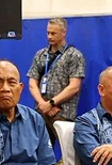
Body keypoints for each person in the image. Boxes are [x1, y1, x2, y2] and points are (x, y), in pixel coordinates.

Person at [27, 18, 85, 146]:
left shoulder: (74, 55)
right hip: (41, 112)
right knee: (39, 149)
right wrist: (43, 104)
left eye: (53, 33)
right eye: (48, 33)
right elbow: (32, 83)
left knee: (68, 150)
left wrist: (52, 103)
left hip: (63, 113)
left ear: (63, 33)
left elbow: (74, 86)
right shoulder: (41, 55)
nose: (49, 36)